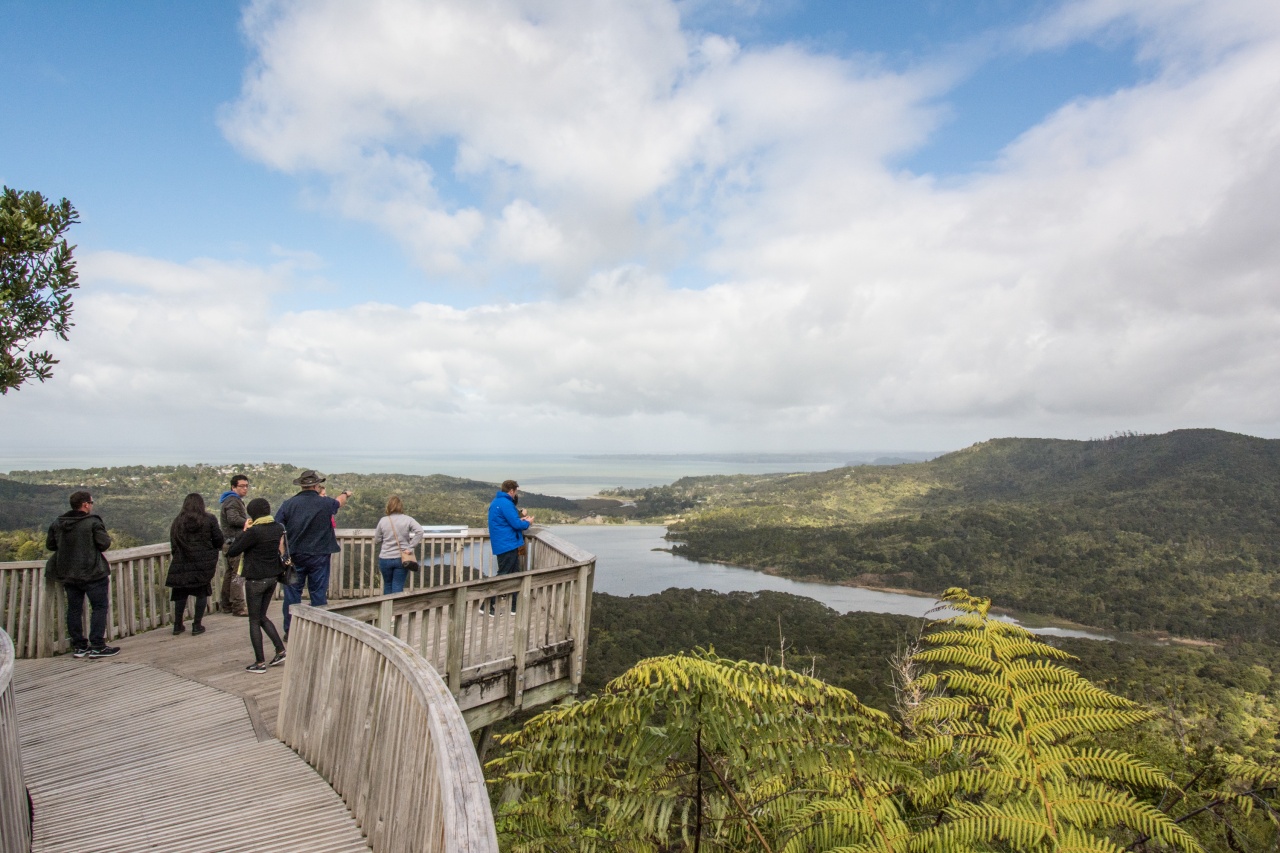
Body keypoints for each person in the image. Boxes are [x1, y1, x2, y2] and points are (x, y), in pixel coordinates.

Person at [276, 469, 350, 637]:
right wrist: (346, 493)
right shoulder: (325, 503)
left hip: (295, 554)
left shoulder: (288, 504)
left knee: (292, 592)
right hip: (320, 554)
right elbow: (339, 501)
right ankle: (320, 630)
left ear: (301, 485)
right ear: (316, 485)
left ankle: (291, 630)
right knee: (318, 592)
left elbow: (278, 526)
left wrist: (282, 552)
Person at [45, 491, 119, 658]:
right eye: (91, 502)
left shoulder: (58, 523)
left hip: (69, 573)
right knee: (99, 607)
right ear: (85, 504)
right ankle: (98, 645)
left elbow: (51, 545)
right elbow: (104, 543)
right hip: (92, 573)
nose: (92, 505)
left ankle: (79, 646)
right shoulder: (92, 522)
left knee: (74, 609)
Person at [226, 497, 287, 673]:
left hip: (255, 580)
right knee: (262, 616)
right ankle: (280, 649)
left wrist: (244, 531)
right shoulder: (278, 528)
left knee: (254, 620)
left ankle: (260, 663)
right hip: (272, 578)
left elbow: (233, 550)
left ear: (252, 514)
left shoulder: (254, 532)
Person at [165, 493, 224, 636]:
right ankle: (197, 625)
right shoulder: (209, 519)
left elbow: (173, 544)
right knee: (201, 592)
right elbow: (218, 540)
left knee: (180, 593)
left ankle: (177, 625)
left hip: (182, 562)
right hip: (202, 563)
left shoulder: (177, 521)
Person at [486, 479, 533, 615]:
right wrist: (527, 522)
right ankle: (487, 605)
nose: (515, 494)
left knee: (514, 575)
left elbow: (509, 521)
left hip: (506, 544)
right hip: (507, 545)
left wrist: (520, 520)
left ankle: (514, 607)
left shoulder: (497, 502)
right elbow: (517, 525)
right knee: (503, 576)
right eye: (515, 491)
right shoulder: (506, 503)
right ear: (511, 491)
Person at [373, 495, 424, 594]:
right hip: (402, 558)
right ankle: (396, 608)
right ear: (400, 506)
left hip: (385, 557)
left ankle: (387, 608)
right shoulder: (407, 519)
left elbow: (377, 539)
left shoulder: (383, 520)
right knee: (397, 586)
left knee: (387, 585)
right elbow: (420, 531)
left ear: (388, 506)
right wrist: (410, 547)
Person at [217, 474, 250, 616]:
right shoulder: (233, 501)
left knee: (230, 574)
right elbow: (232, 518)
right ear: (233, 487)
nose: (245, 489)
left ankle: (226, 604)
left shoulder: (229, 500)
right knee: (238, 575)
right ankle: (238, 607)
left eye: (247, 486)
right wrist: (247, 522)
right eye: (242, 486)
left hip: (228, 543)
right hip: (235, 542)